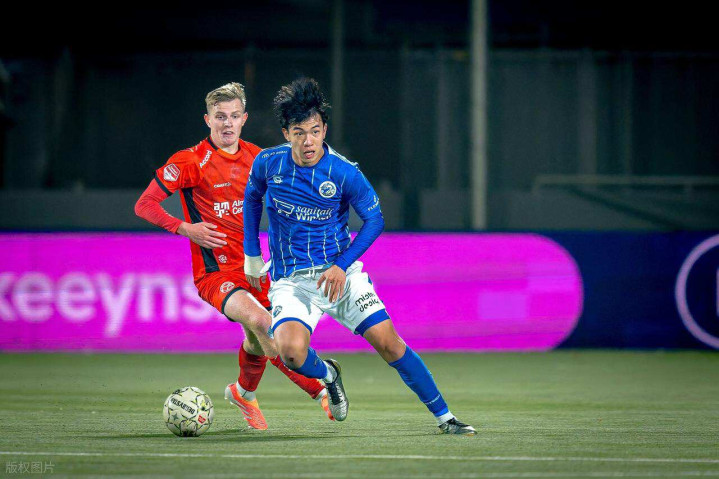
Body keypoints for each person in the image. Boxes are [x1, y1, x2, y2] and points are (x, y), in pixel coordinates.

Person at [243, 77, 476, 435]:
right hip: (292, 280)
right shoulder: (267, 163)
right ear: (286, 133)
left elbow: (375, 220)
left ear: (325, 130)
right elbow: (252, 197)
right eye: (299, 133)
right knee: (289, 353)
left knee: (389, 343)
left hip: (341, 276)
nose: (308, 141)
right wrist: (252, 255)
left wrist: (341, 265)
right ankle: (328, 374)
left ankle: (446, 418)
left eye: (315, 131)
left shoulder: (344, 172)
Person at [134, 82, 333, 430]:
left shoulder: (257, 158)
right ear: (207, 119)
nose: (227, 123)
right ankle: (323, 390)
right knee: (263, 324)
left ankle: (243, 392)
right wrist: (185, 228)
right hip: (215, 274)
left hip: (255, 270)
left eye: (234, 116)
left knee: (255, 341)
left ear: (244, 119)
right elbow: (144, 204)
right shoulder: (190, 161)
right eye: (220, 116)